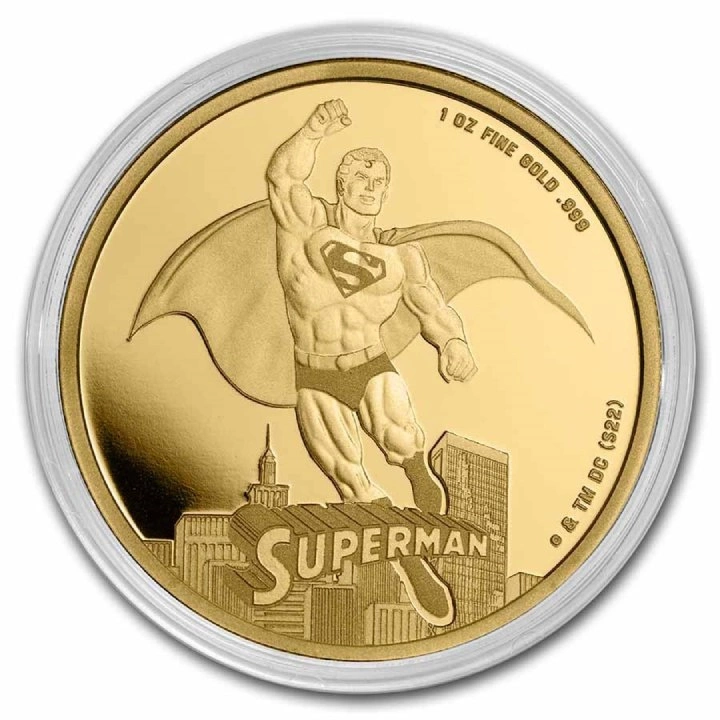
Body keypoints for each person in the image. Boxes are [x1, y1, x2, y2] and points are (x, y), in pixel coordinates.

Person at [266, 99, 479, 625]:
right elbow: (282, 177)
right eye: (359, 177)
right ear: (340, 183)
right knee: (352, 483)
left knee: (401, 438)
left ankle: (417, 471)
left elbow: (430, 305)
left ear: (386, 192)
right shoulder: (304, 225)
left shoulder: (402, 257)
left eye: (378, 181)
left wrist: (452, 341)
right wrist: (312, 131)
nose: (369, 187)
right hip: (314, 374)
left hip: (369, 364)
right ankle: (411, 563)